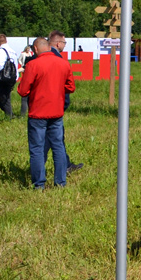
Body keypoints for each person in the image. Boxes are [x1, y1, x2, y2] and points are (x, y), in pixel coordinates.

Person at [17, 37, 75, 189]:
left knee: (37, 148)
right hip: (57, 112)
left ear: (35, 49)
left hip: (37, 112)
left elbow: (23, 91)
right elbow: (71, 87)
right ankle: (60, 182)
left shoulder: (33, 65)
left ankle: (39, 184)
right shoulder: (63, 63)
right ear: (49, 47)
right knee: (58, 146)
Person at [48, 31, 82, 174]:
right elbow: (67, 87)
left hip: (40, 106)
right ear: (58, 43)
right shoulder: (59, 60)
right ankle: (63, 170)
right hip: (55, 107)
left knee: (47, 141)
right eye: (64, 43)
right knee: (55, 140)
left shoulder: (39, 56)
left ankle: (64, 165)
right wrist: (64, 105)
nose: (65, 45)